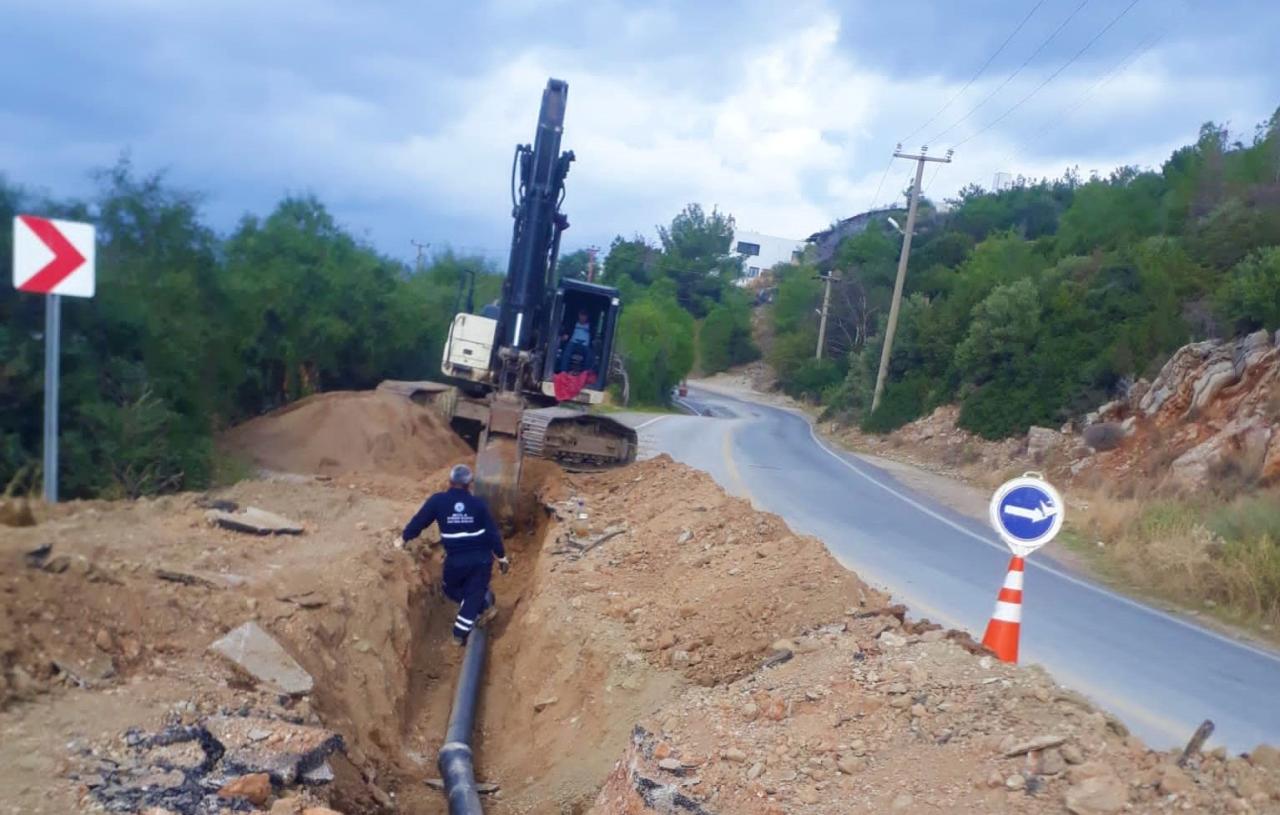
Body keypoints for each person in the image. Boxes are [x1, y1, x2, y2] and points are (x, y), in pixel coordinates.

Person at [398, 463, 510, 645]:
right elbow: (492, 534)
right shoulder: (478, 504)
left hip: (460, 560)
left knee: (459, 591)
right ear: (470, 484)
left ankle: (459, 634)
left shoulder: (438, 501)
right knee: (462, 591)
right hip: (479, 560)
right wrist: (501, 556)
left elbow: (419, 521)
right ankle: (482, 608)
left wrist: (404, 538)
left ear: (449, 481)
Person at [558, 309, 593, 373]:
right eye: (581, 315)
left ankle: (585, 373)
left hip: (585, 346)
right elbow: (566, 332)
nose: (583, 317)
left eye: (584, 315)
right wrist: (565, 335)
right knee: (566, 352)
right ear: (579, 315)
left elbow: (594, 338)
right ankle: (563, 372)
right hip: (573, 343)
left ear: (587, 317)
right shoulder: (573, 324)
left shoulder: (591, 326)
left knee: (590, 355)